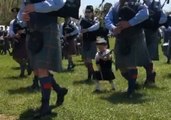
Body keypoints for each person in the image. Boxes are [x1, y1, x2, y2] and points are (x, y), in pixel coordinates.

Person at [18, 0, 68, 118]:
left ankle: (45, 106)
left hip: (47, 29)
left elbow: (59, 3)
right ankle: (59, 90)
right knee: (37, 70)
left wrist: (35, 7)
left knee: (41, 69)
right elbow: (21, 12)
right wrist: (23, 17)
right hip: (32, 32)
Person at [105, 0, 152, 97]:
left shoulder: (137, 4)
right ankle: (134, 83)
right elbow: (107, 19)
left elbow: (145, 13)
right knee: (121, 66)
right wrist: (113, 28)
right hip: (121, 37)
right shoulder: (115, 6)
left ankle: (131, 90)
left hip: (135, 36)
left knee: (131, 64)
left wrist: (129, 23)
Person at [80, 5, 100, 81]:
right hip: (85, 41)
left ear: (92, 12)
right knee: (85, 61)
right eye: (86, 12)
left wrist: (87, 29)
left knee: (88, 59)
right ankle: (92, 74)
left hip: (92, 41)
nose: (87, 13)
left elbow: (96, 26)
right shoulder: (83, 20)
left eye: (89, 12)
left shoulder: (95, 19)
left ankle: (92, 76)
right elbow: (80, 29)